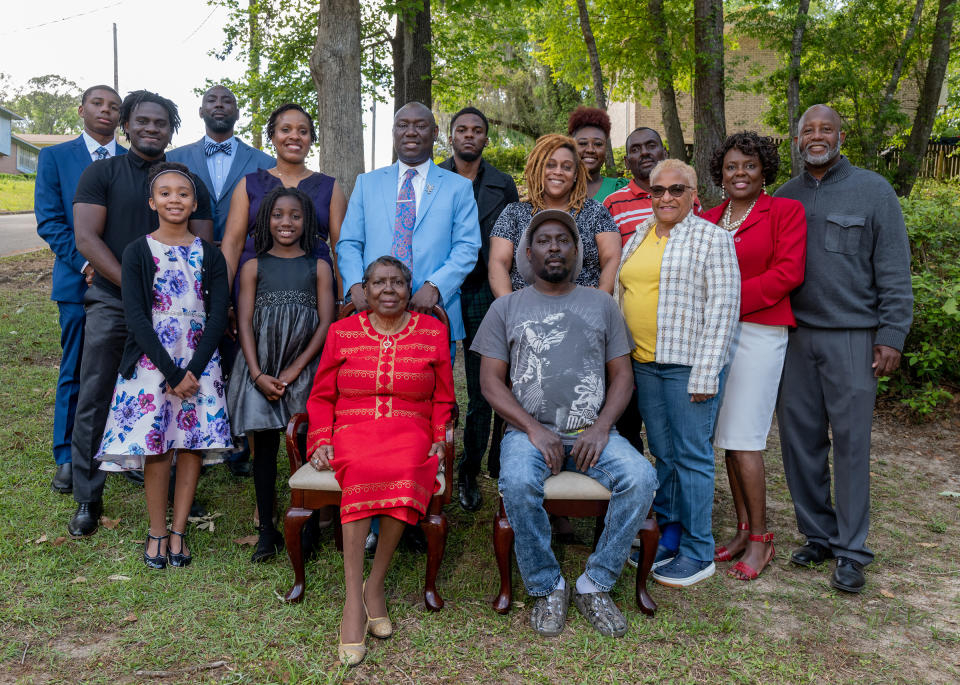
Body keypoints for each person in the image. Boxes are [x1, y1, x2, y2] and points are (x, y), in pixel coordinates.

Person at [473, 209, 657, 638]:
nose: (553, 247)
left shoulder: (601, 304)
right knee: (517, 481)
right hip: (528, 433)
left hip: (593, 432)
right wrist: (533, 429)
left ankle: (596, 583)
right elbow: (489, 383)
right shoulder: (507, 308)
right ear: (527, 253)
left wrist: (602, 427)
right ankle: (546, 583)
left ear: (577, 251)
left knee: (641, 476)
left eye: (563, 240)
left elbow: (623, 376)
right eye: (543, 240)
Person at [774, 104, 913, 593]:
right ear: (797, 140)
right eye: (808, 130)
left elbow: (894, 269)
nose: (817, 136)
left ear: (840, 135)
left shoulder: (874, 191)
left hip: (854, 335)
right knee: (800, 442)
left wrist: (891, 334)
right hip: (794, 338)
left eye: (825, 129)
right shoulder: (783, 197)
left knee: (852, 445)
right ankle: (819, 535)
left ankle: (853, 552)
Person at [70, 90, 213, 537]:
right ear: (127, 125)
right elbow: (87, 239)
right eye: (143, 121)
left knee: (175, 395)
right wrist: (137, 291)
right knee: (96, 395)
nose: (152, 129)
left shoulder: (188, 180)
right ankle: (88, 498)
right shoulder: (102, 173)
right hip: (114, 305)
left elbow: (204, 248)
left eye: (161, 123)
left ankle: (175, 489)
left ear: (172, 130)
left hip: (179, 314)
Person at [305, 256, 456, 666]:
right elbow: (320, 396)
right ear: (364, 291)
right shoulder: (341, 332)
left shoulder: (432, 332)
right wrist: (320, 439)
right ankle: (354, 601)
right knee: (364, 470)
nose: (388, 290)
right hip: (353, 426)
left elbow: (444, 396)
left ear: (409, 290)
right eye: (378, 283)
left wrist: (441, 437)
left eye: (397, 283)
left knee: (407, 472)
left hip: (411, 428)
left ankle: (376, 585)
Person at [95, 162, 231, 569]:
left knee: (190, 446)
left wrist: (193, 370)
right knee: (157, 447)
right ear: (152, 202)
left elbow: (217, 315)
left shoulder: (211, 254)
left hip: (199, 365)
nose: (175, 199)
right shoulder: (138, 251)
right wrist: (171, 374)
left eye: (183, 193)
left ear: (194, 203)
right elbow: (136, 316)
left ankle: (179, 532)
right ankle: (156, 529)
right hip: (153, 365)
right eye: (166, 193)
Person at [613, 159, 739, 588]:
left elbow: (723, 311)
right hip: (644, 363)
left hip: (688, 367)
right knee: (663, 455)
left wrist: (706, 373)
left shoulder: (712, 238)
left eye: (675, 190)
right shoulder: (641, 235)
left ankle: (699, 550)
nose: (665, 197)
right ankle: (668, 532)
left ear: (693, 193)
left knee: (692, 457)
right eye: (657, 190)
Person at [702, 132, 807, 581]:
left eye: (748, 165)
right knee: (726, 435)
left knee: (746, 437)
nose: (739, 173)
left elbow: (788, 273)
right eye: (731, 166)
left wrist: (727, 299)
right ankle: (743, 530)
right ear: (720, 174)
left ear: (764, 169)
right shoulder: (707, 217)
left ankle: (763, 538)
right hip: (714, 336)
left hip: (760, 331)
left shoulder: (784, 211)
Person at [227, 186, 335, 562]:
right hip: (261, 368)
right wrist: (257, 374)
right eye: (277, 215)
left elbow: (325, 325)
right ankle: (266, 532)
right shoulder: (253, 267)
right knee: (265, 452)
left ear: (306, 222)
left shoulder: (319, 266)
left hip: (301, 370)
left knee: (303, 445)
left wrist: (294, 369)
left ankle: (306, 525)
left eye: (295, 215)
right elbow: (243, 323)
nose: (286, 222)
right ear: (265, 220)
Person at [35, 84, 124, 494]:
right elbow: (51, 221)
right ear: (81, 110)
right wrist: (87, 263)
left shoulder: (132, 160)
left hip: (126, 287)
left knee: (123, 370)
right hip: (77, 282)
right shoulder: (56, 157)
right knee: (77, 369)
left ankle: (119, 450)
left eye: (113, 107)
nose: (105, 111)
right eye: (97, 104)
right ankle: (67, 456)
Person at [438, 106, 519, 510]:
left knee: (484, 387)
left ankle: (475, 467)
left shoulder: (503, 185)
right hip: (437, 291)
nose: (469, 135)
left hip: (484, 292)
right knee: (436, 383)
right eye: (461, 129)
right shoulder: (433, 177)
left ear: (486, 139)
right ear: (450, 137)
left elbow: (514, 241)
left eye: (477, 130)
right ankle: (436, 463)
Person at [221, 103, 345, 299]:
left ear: (311, 139)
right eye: (285, 129)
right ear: (272, 136)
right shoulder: (249, 184)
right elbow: (233, 244)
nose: (294, 136)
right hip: (254, 290)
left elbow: (341, 248)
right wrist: (224, 299)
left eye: (303, 131)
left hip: (314, 291)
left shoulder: (330, 187)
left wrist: (341, 299)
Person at [488, 134, 621, 297]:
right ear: (538, 169)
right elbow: (498, 263)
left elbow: (612, 258)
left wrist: (599, 300)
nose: (558, 172)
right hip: (527, 313)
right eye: (550, 165)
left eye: (566, 167)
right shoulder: (513, 213)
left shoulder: (595, 212)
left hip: (583, 313)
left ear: (575, 175)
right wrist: (510, 308)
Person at [166, 85, 274, 242]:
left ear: (238, 114)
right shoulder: (172, 159)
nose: (219, 104)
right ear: (200, 112)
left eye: (227, 101)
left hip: (248, 258)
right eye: (211, 100)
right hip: (185, 258)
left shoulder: (267, 164)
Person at [603, 127, 668, 246]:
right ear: (626, 162)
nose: (644, 152)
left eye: (651, 146)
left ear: (665, 153)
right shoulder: (612, 205)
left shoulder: (686, 197)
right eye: (635, 149)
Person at [567, 106, 628, 202]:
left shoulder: (620, 188)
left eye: (598, 144)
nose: (590, 150)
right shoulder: (559, 188)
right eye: (583, 143)